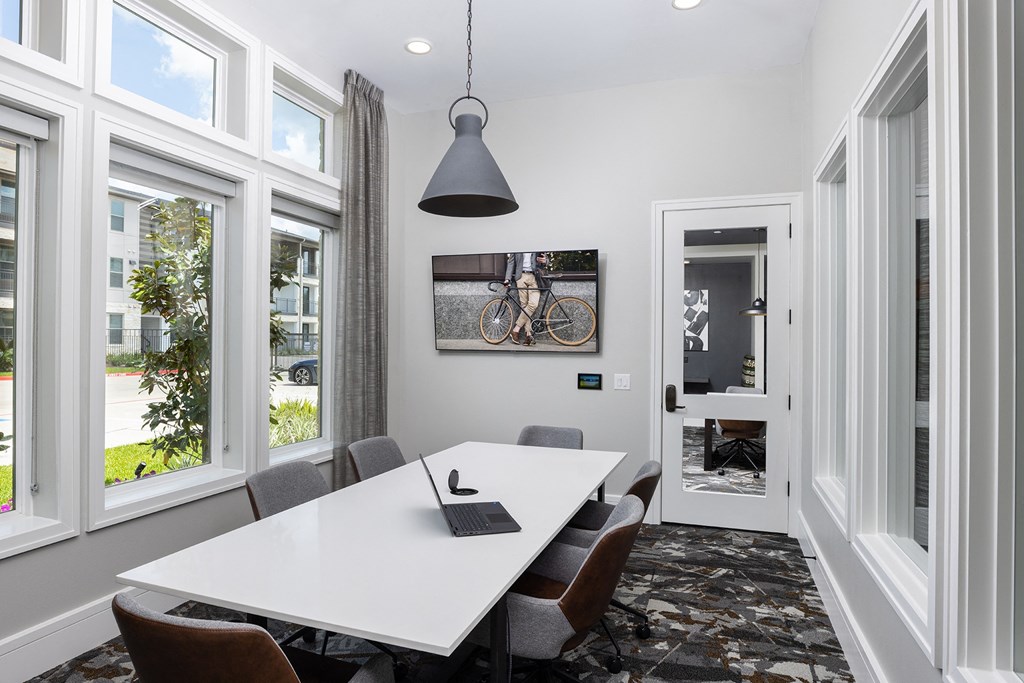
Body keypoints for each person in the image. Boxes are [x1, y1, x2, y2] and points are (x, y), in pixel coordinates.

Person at [504, 252, 548, 345]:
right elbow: (511, 262)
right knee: (524, 306)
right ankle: (528, 335)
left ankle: (516, 329)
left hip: (535, 277)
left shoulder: (537, 244)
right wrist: (507, 278)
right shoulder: (516, 247)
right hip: (521, 277)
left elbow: (546, 261)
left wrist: (545, 261)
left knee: (533, 304)